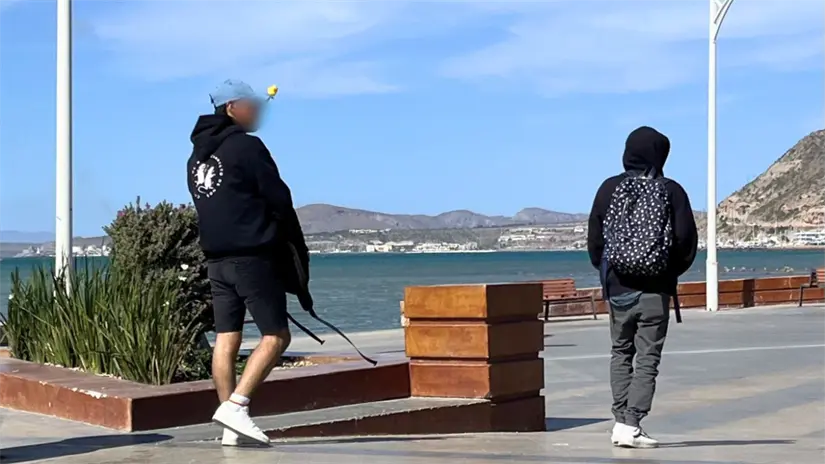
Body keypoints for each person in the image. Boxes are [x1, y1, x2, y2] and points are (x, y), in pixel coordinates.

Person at [187, 79, 302, 446]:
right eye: (252, 105)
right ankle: (236, 406)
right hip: (251, 256)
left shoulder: (197, 156)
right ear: (232, 107)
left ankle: (229, 426)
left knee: (226, 338)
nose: (258, 111)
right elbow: (278, 196)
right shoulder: (246, 147)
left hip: (216, 260)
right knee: (276, 335)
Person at [587, 126, 698, 449]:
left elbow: (595, 240)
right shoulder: (671, 190)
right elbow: (686, 242)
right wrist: (665, 273)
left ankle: (621, 421)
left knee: (621, 353)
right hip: (655, 290)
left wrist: (609, 272)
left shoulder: (609, 189)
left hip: (617, 289)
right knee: (647, 357)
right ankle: (631, 423)